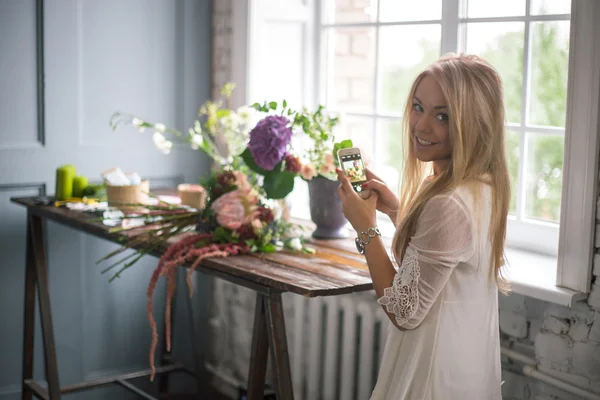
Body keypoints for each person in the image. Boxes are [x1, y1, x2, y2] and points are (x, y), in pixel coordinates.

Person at [336, 53, 510, 400]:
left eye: (442, 116)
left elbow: (404, 311)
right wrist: (398, 212)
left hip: (433, 375)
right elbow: (448, 257)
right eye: (418, 107)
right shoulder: (484, 184)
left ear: (473, 123)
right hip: (464, 363)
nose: (421, 126)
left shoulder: (448, 204)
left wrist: (365, 229)